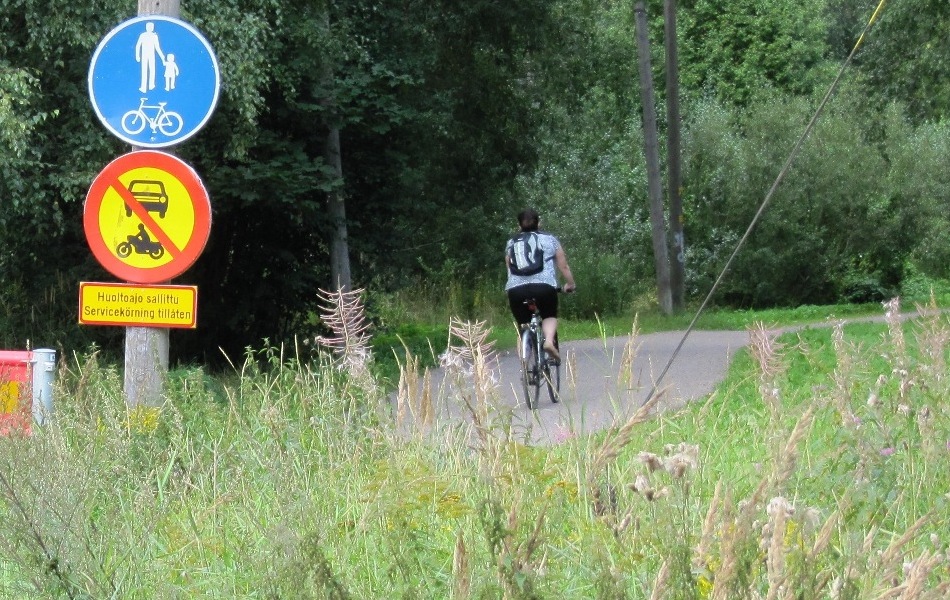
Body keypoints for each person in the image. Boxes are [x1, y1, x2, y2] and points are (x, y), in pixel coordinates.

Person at [505, 208, 576, 363]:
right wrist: (570, 284)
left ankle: (525, 355)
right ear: (539, 223)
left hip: (516, 290)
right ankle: (549, 341)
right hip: (544, 287)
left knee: (522, 323)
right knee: (549, 315)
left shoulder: (511, 243)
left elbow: (509, 269)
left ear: (519, 225)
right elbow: (563, 266)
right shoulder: (550, 240)